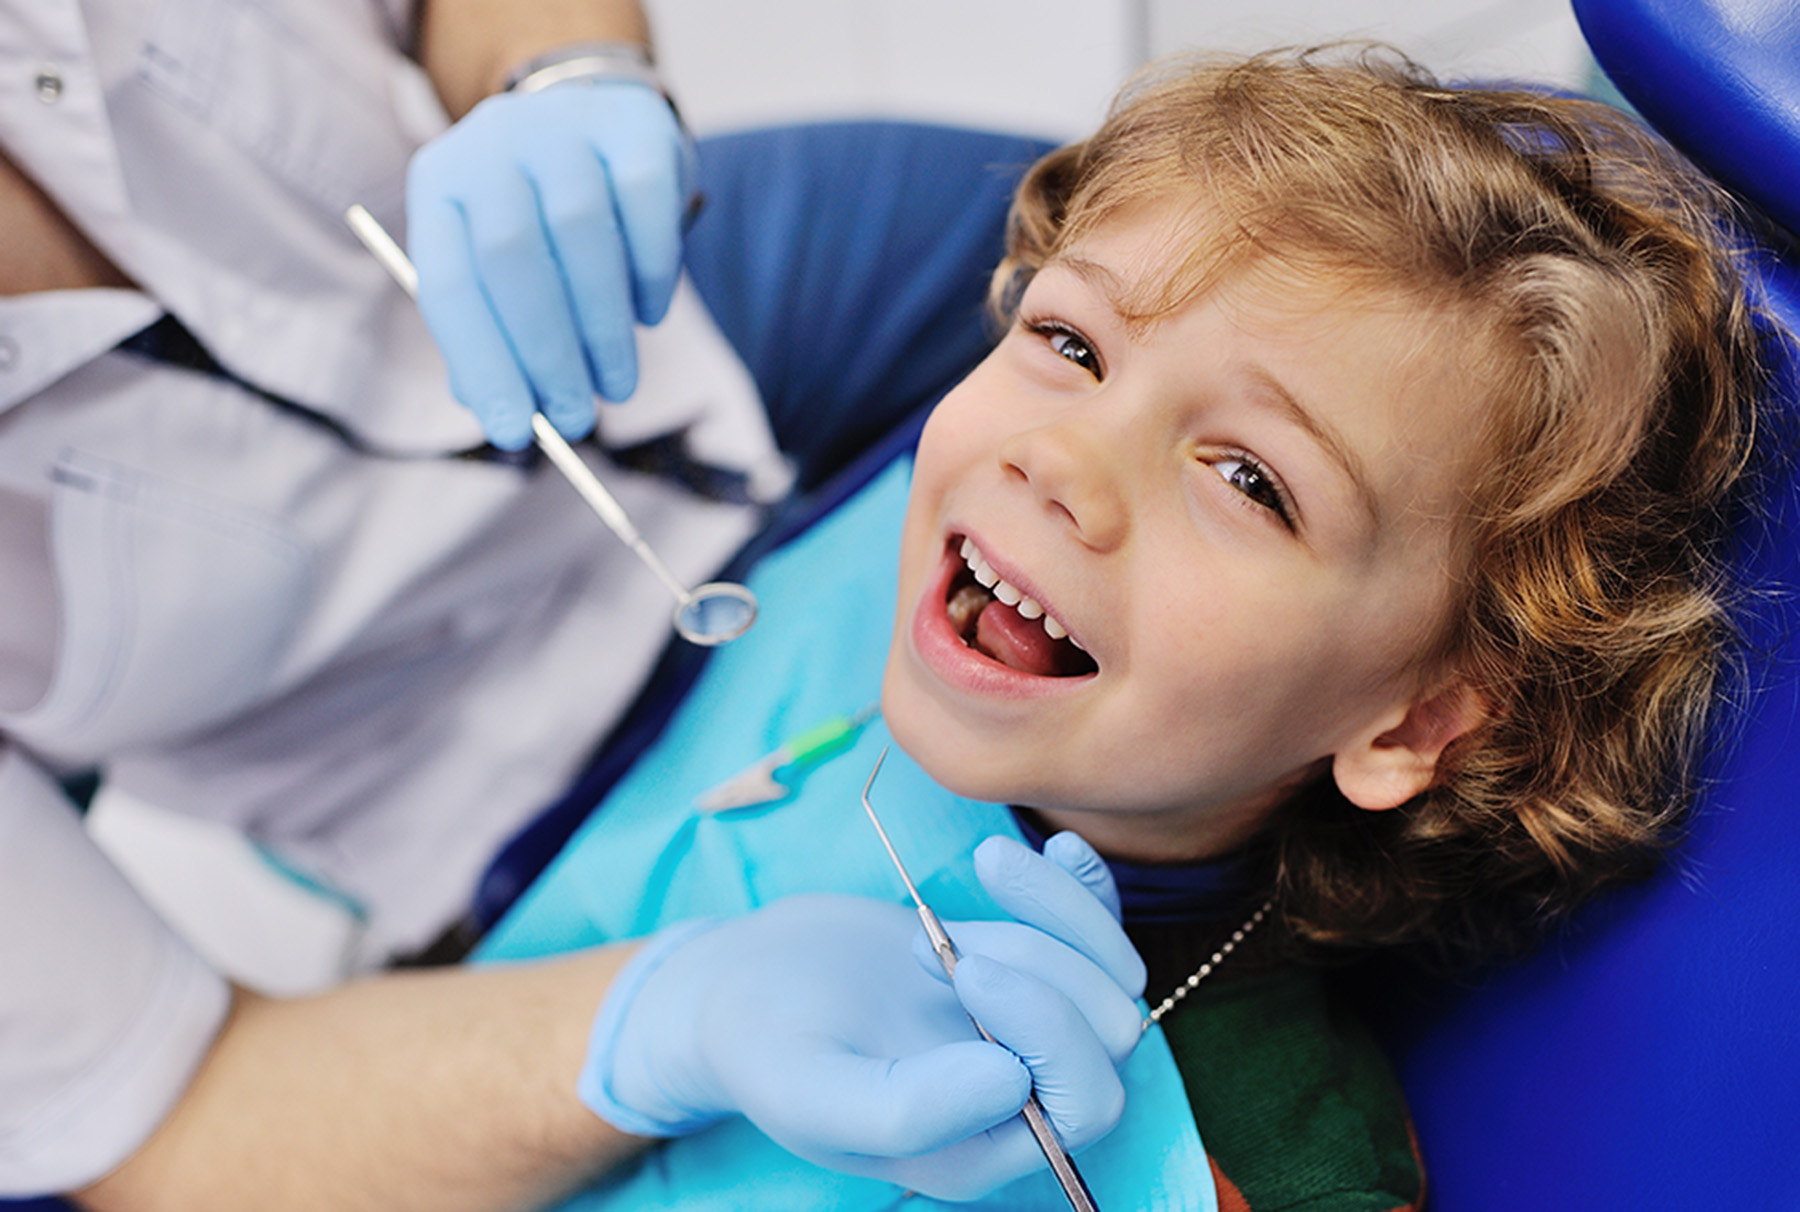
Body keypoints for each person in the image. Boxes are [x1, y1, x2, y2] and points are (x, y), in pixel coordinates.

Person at [468, 45, 1775, 1211]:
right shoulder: (870, 539)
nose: (1061, 464)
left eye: (1250, 480)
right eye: (1071, 342)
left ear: (1410, 722)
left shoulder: (1276, 1174)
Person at [4, 0, 1070, 1205]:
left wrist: (562, 71)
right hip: (505, 775)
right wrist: (673, 1022)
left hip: (691, 321)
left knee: (1180, 283)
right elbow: (167, 1126)